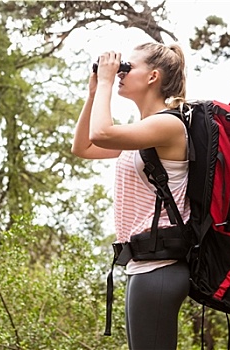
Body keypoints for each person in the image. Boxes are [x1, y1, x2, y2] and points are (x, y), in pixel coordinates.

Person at [71, 42, 190, 350]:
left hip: (160, 268)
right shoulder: (143, 132)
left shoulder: (168, 125)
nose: (121, 73)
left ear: (152, 77)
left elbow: (101, 134)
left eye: (128, 67)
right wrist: (94, 93)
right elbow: (83, 147)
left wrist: (109, 82)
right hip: (145, 266)